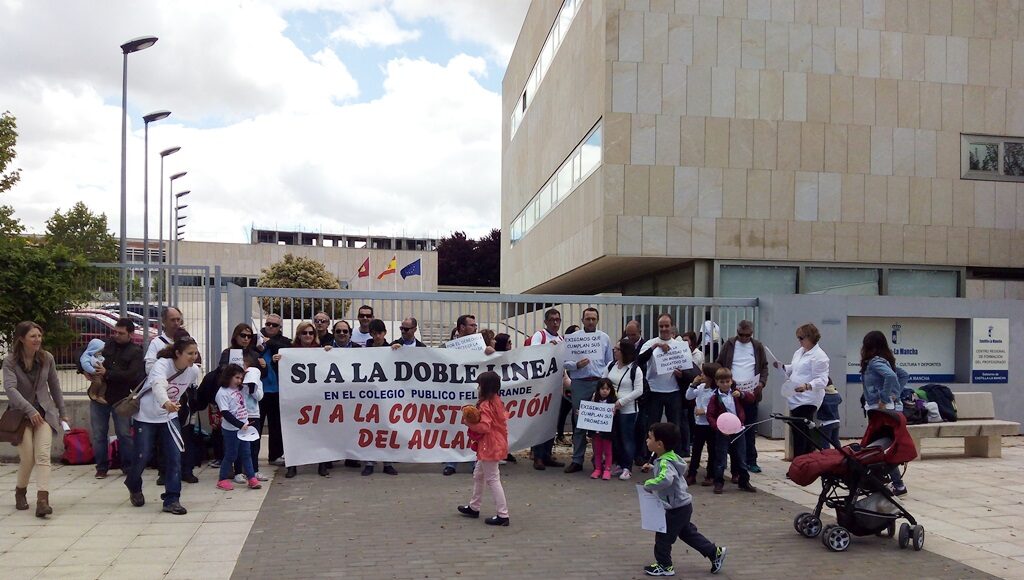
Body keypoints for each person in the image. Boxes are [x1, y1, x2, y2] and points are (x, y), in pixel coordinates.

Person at [126, 335, 201, 515]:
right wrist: (166, 402)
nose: (194, 357)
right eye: (189, 353)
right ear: (178, 353)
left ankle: (172, 499)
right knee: (142, 455)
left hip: (169, 417)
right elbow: (158, 385)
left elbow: (190, 390)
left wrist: (175, 407)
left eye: (196, 353)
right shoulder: (162, 364)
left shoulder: (193, 371)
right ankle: (133, 484)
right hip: (147, 415)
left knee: (174, 456)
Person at [640, 422, 727, 577]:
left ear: (659, 444)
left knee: (663, 536)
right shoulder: (670, 457)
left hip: (675, 508)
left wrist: (649, 484)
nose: (647, 440)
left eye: (650, 437)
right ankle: (714, 552)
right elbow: (670, 473)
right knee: (687, 533)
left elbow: (665, 479)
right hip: (682, 505)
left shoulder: (664, 462)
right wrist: (653, 468)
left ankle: (665, 565)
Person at [3, 321, 68, 517]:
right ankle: (20, 491)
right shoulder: (10, 362)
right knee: (28, 458)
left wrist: (62, 412)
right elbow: (10, 389)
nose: (37, 339)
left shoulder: (47, 358)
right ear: (22, 339)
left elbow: (55, 386)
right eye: (32, 336)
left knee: (43, 456)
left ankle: (42, 500)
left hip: (44, 414)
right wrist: (30, 410)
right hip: (21, 415)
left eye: (39, 336)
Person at [89, 317, 144, 479]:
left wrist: (108, 373)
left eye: (121, 333)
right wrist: (84, 369)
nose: (117, 336)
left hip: (121, 398)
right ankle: (101, 467)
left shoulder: (135, 351)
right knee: (99, 434)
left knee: (124, 434)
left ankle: (128, 466)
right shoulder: (106, 344)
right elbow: (83, 353)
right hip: (99, 395)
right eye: (115, 332)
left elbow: (131, 374)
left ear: (130, 334)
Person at [442, 314, 495, 475]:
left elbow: (490, 362)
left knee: (474, 426)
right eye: (472, 325)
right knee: (454, 427)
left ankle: (474, 461)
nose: (475, 328)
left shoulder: (480, 345)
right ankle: (451, 463)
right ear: (462, 327)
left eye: (475, 325)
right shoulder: (447, 347)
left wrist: (490, 352)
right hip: (454, 393)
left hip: (472, 392)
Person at [456, 371, 511, 526]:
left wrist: (468, 423)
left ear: (484, 387)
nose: (478, 387)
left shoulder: (485, 404)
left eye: (479, 385)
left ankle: (503, 515)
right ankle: (474, 506)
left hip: (489, 445)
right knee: (479, 475)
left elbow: (485, 427)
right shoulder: (496, 401)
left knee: (493, 479)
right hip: (494, 443)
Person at [563, 308, 614, 474]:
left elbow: (609, 363)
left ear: (597, 320)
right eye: (588, 319)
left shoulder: (604, 338)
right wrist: (576, 365)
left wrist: (604, 384)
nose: (591, 322)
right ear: (582, 320)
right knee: (579, 422)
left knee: (599, 423)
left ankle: (598, 460)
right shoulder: (574, 338)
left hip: (599, 383)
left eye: (593, 319)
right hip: (580, 383)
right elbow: (565, 362)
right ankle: (577, 460)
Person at [636, 313, 694, 456]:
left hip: (674, 391)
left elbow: (689, 369)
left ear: (672, 326)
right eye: (661, 326)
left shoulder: (680, 346)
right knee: (652, 426)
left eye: (666, 326)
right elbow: (639, 360)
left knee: (675, 426)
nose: (664, 329)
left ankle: (675, 456)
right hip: (654, 391)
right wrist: (655, 347)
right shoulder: (650, 343)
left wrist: (682, 375)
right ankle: (649, 456)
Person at [860, 330, 910, 495]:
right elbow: (902, 375)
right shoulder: (885, 361)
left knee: (877, 447)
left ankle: (896, 484)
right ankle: (891, 482)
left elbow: (891, 377)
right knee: (879, 447)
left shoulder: (875, 362)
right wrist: (895, 394)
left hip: (880, 409)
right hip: (884, 409)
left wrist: (885, 397)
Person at [715, 320, 768, 473]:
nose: (744, 338)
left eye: (747, 335)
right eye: (741, 335)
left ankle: (751, 460)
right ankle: (730, 461)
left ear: (752, 334)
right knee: (730, 428)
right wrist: (725, 381)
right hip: (732, 393)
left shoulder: (757, 346)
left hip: (750, 393)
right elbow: (719, 363)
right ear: (737, 332)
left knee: (749, 429)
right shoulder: (729, 344)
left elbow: (764, 366)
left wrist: (761, 383)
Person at [774, 323, 830, 459]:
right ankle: (800, 460)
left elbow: (822, 380)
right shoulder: (799, 352)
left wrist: (807, 386)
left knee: (802, 432)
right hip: (795, 397)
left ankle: (803, 460)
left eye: (801, 338)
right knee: (797, 431)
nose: (799, 341)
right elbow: (795, 368)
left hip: (808, 399)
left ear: (810, 337)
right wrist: (783, 367)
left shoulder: (820, 356)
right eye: (798, 338)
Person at [286, 321, 333, 478]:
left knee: (320, 432)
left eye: (311, 333)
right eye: (304, 333)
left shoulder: (321, 351)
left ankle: (322, 464)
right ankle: (292, 465)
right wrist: (277, 359)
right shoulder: (289, 352)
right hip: (296, 399)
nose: (308, 335)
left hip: (317, 398)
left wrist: (329, 353)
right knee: (294, 432)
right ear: (298, 335)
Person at [706, 368, 757, 494]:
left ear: (731, 381)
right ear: (717, 382)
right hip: (723, 432)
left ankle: (744, 481)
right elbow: (710, 415)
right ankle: (718, 482)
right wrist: (718, 427)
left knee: (741, 457)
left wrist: (742, 395)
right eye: (722, 382)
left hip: (738, 430)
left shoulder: (736, 393)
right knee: (721, 459)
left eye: (727, 381)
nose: (725, 384)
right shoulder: (714, 398)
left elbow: (751, 398)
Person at [528, 308, 565, 471]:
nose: (555, 323)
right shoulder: (540, 335)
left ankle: (547, 455)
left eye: (558, 320)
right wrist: (549, 347)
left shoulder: (561, 338)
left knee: (551, 422)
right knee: (540, 422)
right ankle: (538, 456)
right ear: (546, 322)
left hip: (555, 386)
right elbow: (533, 353)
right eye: (552, 320)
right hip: (541, 386)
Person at [215, 364, 261, 491]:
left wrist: (249, 374)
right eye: (236, 377)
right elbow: (225, 413)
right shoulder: (222, 393)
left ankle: (251, 478)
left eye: (241, 378)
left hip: (243, 427)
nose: (239, 381)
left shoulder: (240, 389)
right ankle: (222, 479)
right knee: (231, 454)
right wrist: (239, 424)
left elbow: (252, 386)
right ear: (228, 376)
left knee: (246, 453)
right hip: (231, 429)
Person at [362, 319, 398, 476]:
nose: (377, 336)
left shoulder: (392, 349)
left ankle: (388, 463)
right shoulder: (363, 350)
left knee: (387, 428)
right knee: (369, 428)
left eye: (380, 333)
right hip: (369, 396)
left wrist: (398, 350)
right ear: (370, 334)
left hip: (387, 396)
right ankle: (369, 462)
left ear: (385, 333)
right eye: (374, 333)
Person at [604, 338, 644, 480]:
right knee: (616, 438)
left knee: (627, 438)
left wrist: (621, 402)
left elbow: (639, 390)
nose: (614, 351)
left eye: (617, 349)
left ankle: (627, 467)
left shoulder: (635, 369)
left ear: (624, 352)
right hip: (611, 409)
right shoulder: (611, 365)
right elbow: (603, 382)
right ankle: (619, 464)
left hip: (628, 410)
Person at [259, 314, 291, 468]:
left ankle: (275, 455)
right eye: (268, 324)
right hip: (258, 390)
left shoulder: (284, 342)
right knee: (255, 425)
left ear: (280, 328)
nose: (270, 327)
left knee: (276, 425)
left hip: (277, 390)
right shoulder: (255, 339)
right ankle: (251, 456)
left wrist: (269, 342)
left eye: (274, 325)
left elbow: (287, 350)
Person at [684, 363, 719, 486]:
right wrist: (693, 384)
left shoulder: (715, 391)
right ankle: (692, 474)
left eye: (704, 373)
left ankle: (711, 474)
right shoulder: (700, 387)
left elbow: (717, 408)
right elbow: (688, 396)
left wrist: (704, 411)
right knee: (696, 450)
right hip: (699, 424)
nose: (701, 375)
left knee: (712, 450)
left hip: (710, 424)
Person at [237, 354, 267, 482]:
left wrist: (252, 387)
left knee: (254, 444)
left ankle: (254, 470)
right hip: (240, 415)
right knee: (240, 444)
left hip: (254, 414)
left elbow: (259, 397)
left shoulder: (257, 381)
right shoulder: (236, 381)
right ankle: (238, 471)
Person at [587, 378, 618, 480]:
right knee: (597, 451)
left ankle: (607, 470)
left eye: (607, 389)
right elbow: (589, 411)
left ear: (610, 390)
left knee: (608, 451)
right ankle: (598, 469)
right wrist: (582, 413)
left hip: (607, 432)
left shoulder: (613, 401)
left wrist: (614, 413)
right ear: (598, 389)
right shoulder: (594, 399)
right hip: (596, 431)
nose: (605, 391)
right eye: (602, 389)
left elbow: (616, 416)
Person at [145, 306, 185, 373]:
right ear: (164, 321)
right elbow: (149, 368)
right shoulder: (156, 342)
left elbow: (196, 365)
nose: (176, 323)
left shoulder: (189, 340)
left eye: (178, 319)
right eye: (172, 320)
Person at [817, 380, 842, 450]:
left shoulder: (823, 396)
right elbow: (840, 400)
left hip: (826, 422)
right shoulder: (836, 394)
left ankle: (827, 455)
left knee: (825, 442)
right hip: (836, 420)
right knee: (835, 440)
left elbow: (818, 405)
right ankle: (840, 453)